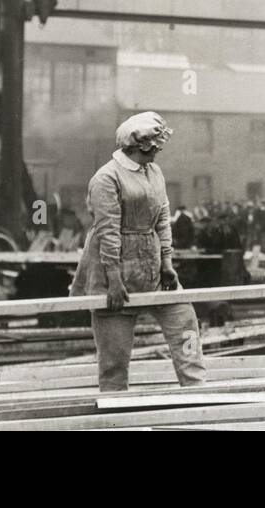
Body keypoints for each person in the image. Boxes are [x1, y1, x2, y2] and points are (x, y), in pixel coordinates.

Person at [69, 112, 206, 391]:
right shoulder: (105, 178)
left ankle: (197, 389)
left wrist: (167, 262)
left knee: (185, 323)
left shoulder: (153, 171)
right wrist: (114, 280)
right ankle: (116, 408)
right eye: (151, 148)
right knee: (114, 357)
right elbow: (107, 231)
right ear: (135, 146)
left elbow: (162, 216)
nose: (155, 153)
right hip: (114, 269)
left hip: (152, 264)